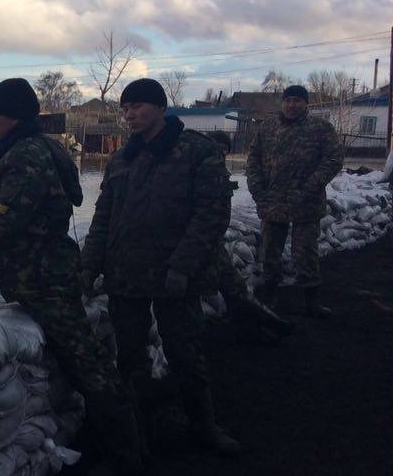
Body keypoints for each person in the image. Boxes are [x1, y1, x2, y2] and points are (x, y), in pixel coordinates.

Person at [0, 77, 146, 476]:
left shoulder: (25, 154)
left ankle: (127, 456)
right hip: (44, 273)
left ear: (13, 116)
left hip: (45, 278)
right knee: (77, 360)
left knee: (90, 364)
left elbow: (12, 217)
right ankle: (116, 442)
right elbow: (26, 203)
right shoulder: (40, 147)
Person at [81, 78, 241, 456]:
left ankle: (204, 427)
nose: (130, 114)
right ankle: (137, 433)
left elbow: (211, 215)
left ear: (160, 108)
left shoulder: (197, 153)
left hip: (174, 275)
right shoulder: (123, 158)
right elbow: (103, 217)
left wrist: (183, 267)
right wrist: (89, 266)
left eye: (137, 106)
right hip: (126, 274)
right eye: (125, 108)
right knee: (129, 357)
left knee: (185, 353)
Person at [246, 84, 344, 317]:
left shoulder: (320, 128)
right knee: (270, 251)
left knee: (305, 253)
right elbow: (254, 159)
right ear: (282, 103)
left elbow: (333, 159)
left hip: (306, 202)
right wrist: (257, 190)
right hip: (273, 200)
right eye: (288, 100)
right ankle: (271, 295)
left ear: (306, 104)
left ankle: (311, 301)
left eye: (297, 101)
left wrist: (310, 186)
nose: (292, 105)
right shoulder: (267, 127)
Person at [209, 132, 295, 344]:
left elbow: (218, 215)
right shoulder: (203, 171)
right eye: (215, 148)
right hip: (204, 239)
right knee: (232, 286)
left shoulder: (216, 173)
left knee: (232, 286)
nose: (219, 153)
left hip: (207, 241)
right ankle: (263, 323)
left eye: (223, 150)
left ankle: (264, 324)